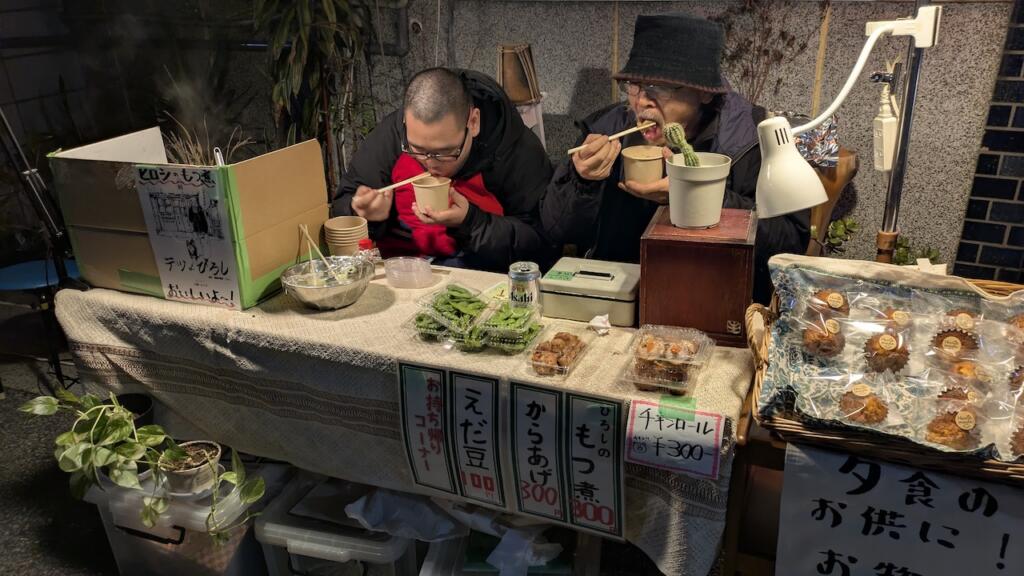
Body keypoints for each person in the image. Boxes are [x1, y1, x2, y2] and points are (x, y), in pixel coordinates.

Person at [543, 14, 810, 304]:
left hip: (712, 300)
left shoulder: (751, 140)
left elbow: (789, 246)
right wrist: (582, 183)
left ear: (704, 94)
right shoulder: (608, 130)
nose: (642, 101)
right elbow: (556, 229)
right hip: (617, 296)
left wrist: (700, 195)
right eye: (635, 84)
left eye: (661, 87)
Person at [331, 67, 555, 271]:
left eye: (445, 152)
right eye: (418, 149)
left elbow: (543, 245)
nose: (430, 163)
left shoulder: (515, 149)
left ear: (473, 122)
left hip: (485, 277)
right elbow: (342, 206)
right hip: (402, 271)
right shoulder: (393, 136)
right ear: (406, 123)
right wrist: (364, 215)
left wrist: (471, 222)